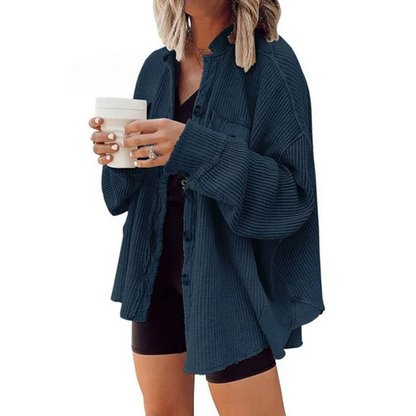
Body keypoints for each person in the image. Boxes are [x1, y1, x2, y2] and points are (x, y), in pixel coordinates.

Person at [89, 1, 325, 415]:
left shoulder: (271, 65)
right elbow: (127, 194)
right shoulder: (156, 67)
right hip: (153, 274)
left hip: (227, 281)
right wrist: (117, 155)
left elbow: (293, 196)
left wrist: (194, 148)